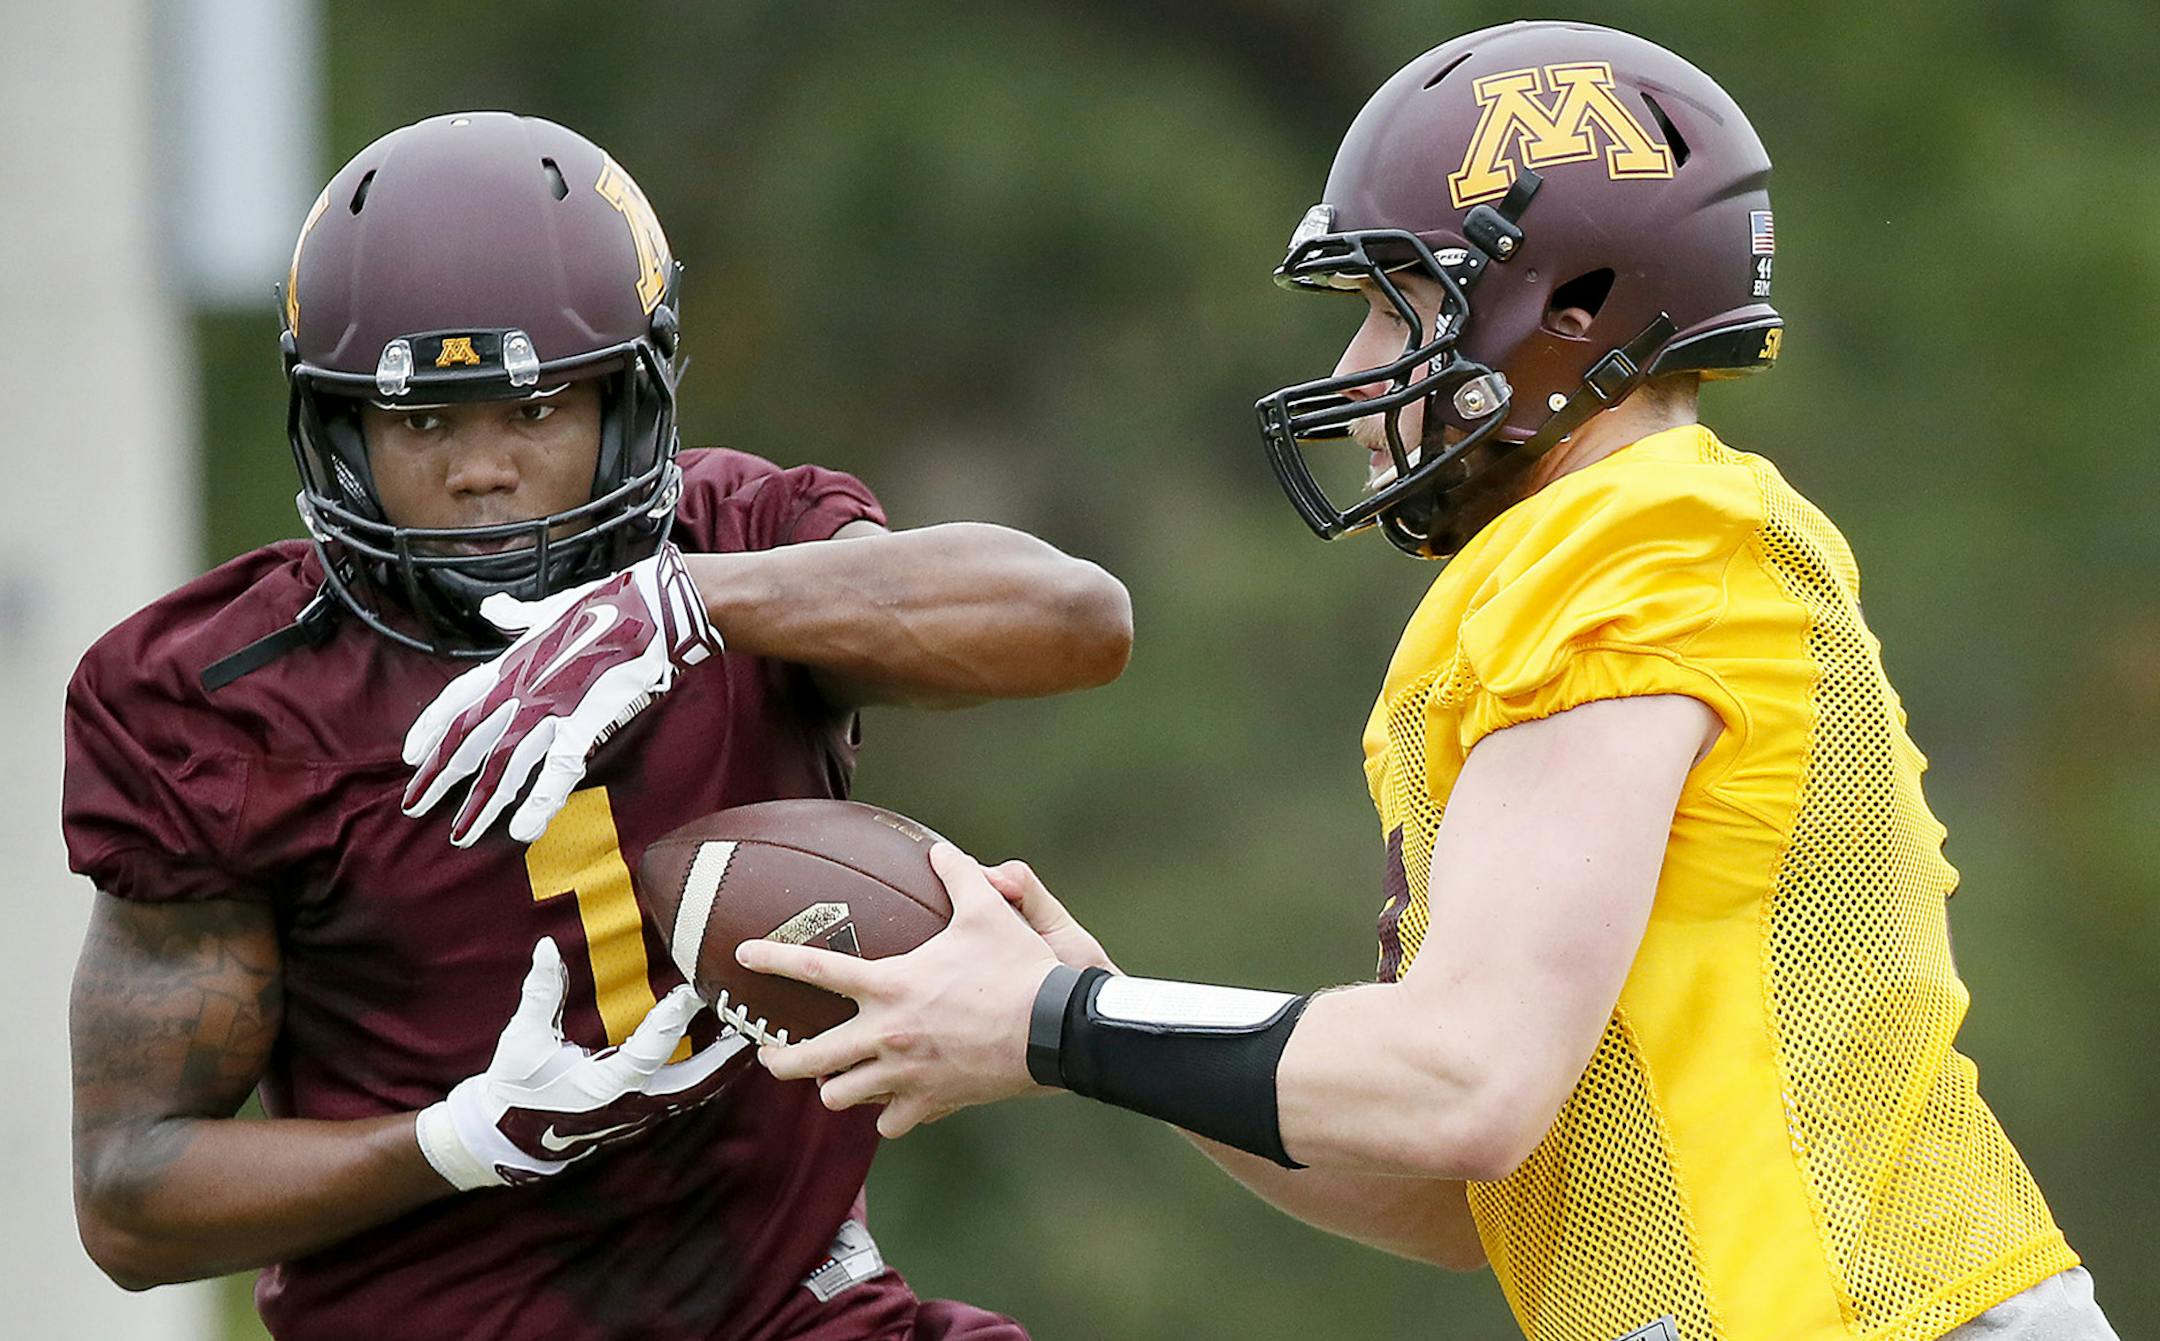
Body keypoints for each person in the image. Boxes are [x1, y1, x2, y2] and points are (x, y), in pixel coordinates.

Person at [735, 23, 2117, 1341]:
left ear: (1569, 307)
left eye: (1397, 313)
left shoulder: (1637, 539)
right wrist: (1113, 1016)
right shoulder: (1595, 557)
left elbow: (1468, 1080)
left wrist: (1056, 1024)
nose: (1353, 369)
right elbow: (1454, 1192)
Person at [62, 111, 1132, 1341]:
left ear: (629, 401)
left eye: (533, 413)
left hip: (794, 1316)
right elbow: (130, 1201)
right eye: (423, 422)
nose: (481, 471)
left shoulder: (738, 546)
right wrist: (461, 1140)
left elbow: (1075, 620)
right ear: (340, 433)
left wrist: (690, 602)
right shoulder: (222, 699)